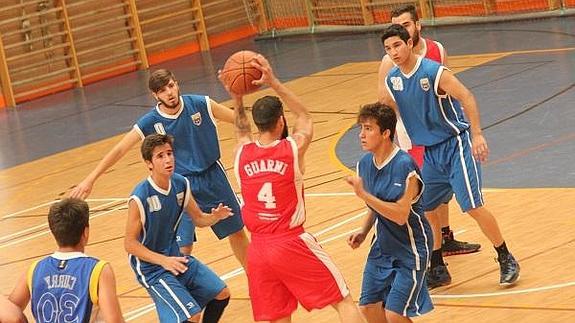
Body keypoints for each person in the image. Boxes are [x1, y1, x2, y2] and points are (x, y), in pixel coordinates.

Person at [222, 55, 364, 323]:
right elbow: (304, 116)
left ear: (258, 124)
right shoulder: (292, 148)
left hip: (258, 251)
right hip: (290, 242)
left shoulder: (242, 153)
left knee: (276, 317)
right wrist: (273, 81)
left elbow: (240, 129)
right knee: (342, 300)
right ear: (279, 122)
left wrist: (237, 96)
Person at [380, 24, 520, 286]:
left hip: (456, 144)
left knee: (472, 206)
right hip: (431, 153)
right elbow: (388, 109)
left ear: (409, 44)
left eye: (397, 45)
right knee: (427, 208)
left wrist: (477, 134)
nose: (394, 52)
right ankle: (438, 267)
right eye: (388, 49)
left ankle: (505, 257)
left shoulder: (434, 72)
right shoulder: (393, 79)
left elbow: (466, 96)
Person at [70, 69, 249, 267]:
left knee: (237, 231)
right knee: (182, 247)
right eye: (163, 90)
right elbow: (120, 149)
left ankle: (255, 279)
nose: (169, 93)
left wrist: (248, 125)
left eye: (171, 86)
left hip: (213, 176)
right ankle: (182, 290)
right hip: (178, 184)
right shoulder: (150, 121)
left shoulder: (201, 103)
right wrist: (91, 179)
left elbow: (239, 121)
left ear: (177, 83)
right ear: (155, 95)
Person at [378, 4, 481, 274]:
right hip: (413, 135)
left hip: (443, 133)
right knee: (424, 196)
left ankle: (445, 238)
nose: (401, 29)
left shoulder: (437, 51)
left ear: (417, 26)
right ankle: (430, 256)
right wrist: (396, 138)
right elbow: (386, 103)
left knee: (443, 191)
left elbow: (449, 89)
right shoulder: (391, 62)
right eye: (396, 25)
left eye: (406, 24)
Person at [125, 133, 232, 323]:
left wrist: (214, 217)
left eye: (169, 153)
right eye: (160, 156)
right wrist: (163, 261)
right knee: (192, 315)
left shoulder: (181, 184)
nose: (168, 160)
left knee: (222, 293)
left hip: (177, 258)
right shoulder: (140, 197)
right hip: (151, 268)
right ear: (149, 163)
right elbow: (130, 244)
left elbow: (198, 219)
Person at [347, 103, 433, 323]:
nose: (361, 135)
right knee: (367, 308)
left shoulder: (405, 166)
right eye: (361, 128)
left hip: (411, 248)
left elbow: (400, 215)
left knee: (394, 314)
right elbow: (376, 207)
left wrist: (364, 195)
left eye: (368, 129)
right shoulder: (365, 164)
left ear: (385, 133)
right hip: (382, 246)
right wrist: (364, 231)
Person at [9, 198, 124, 322]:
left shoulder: (34, 270)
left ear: (54, 232)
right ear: (86, 232)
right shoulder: (98, 270)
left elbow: (8, 315)